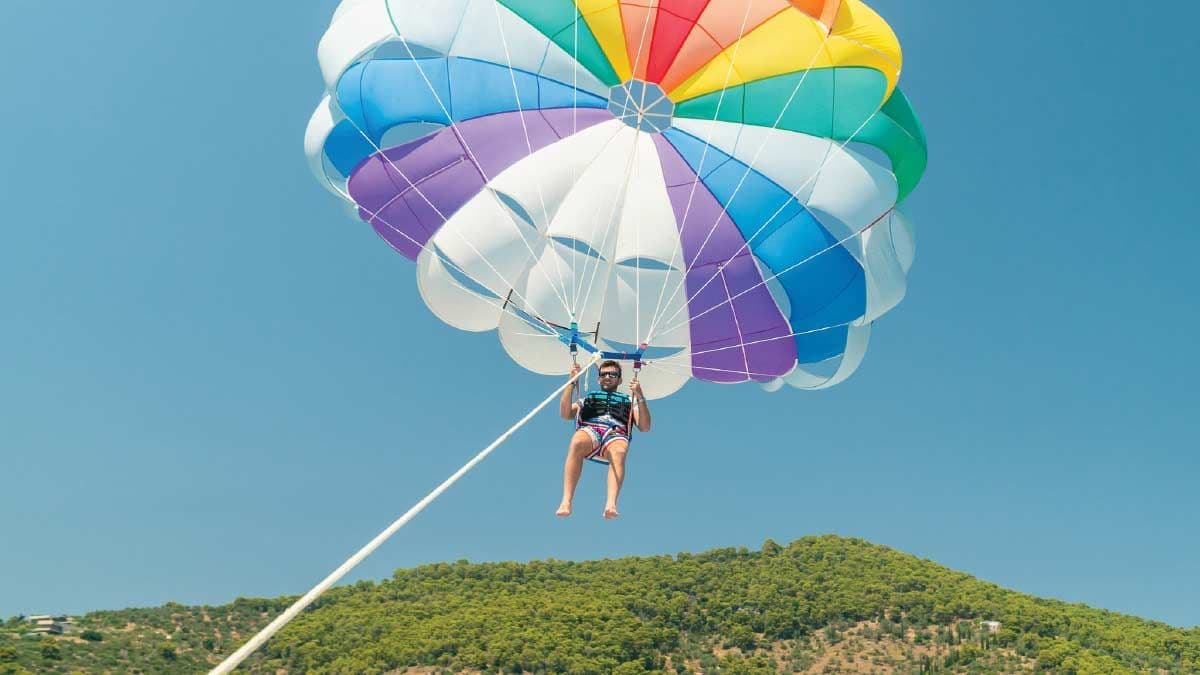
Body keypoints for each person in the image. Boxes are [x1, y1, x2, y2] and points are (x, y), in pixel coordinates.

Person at [556, 360, 651, 519]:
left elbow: (645, 427)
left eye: (613, 374)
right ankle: (566, 501)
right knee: (577, 441)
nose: (608, 377)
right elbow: (565, 413)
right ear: (598, 379)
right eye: (604, 374)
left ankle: (611, 504)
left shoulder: (629, 400)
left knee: (619, 451)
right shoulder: (587, 399)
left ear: (620, 380)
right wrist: (571, 382)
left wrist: (640, 396)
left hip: (616, 433)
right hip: (590, 429)